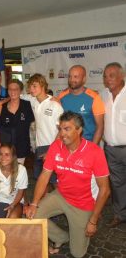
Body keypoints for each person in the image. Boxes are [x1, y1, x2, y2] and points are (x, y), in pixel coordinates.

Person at [24, 111, 110, 257]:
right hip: (61, 195)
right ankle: (61, 237)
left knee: (77, 254)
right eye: (60, 129)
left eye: (67, 129)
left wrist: (93, 221)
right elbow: (44, 176)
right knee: (33, 215)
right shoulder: (56, 146)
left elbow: (105, 190)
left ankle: (81, 232)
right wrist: (34, 203)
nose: (62, 134)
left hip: (83, 203)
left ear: (79, 130)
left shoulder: (95, 152)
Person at [101, 62, 126, 227]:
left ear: (122, 76)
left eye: (111, 75)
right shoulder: (104, 96)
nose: (107, 79)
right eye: (105, 76)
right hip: (110, 149)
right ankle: (120, 214)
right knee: (117, 184)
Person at [27, 74, 63, 186]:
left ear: (43, 86)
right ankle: (44, 203)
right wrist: (1, 102)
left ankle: (60, 203)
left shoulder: (55, 104)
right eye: (30, 87)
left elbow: (62, 130)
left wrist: (52, 150)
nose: (31, 89)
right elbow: (15, 94)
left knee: (55, 182)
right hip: (39, 147)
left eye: (34, 86)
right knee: (41, 181)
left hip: (52, 146)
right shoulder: (32, 100)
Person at [58, 65, 105, 144]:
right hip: (66, 146)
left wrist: (92, 148)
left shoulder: (94, 98)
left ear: (84, 79)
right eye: (70, 76)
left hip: (87, 145)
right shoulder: (62, 96)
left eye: (76, 77)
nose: (72, 79)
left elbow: (100, 126)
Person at [0, 79, 34, 165]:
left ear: (20, 91)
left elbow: (33, 127)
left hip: (22, 148)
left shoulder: (27, 105)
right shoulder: (2, 108)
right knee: (6, 175)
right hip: (5, 149)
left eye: (15, 89)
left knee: (18, 175)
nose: (12, 91)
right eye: (10, 89)